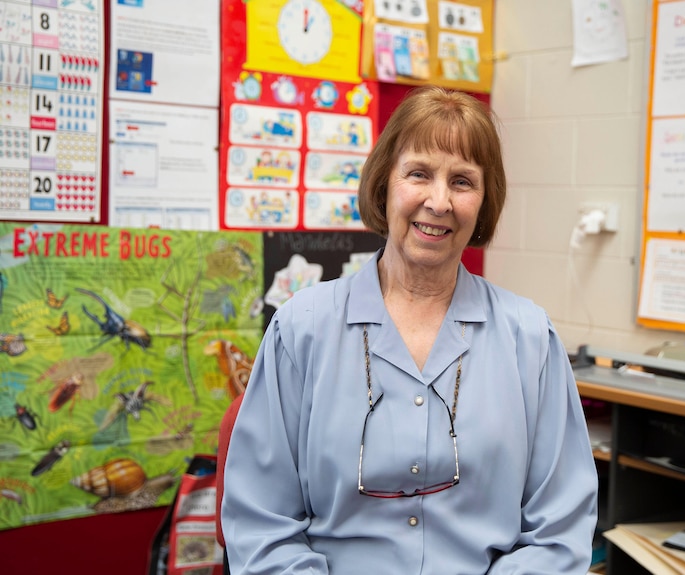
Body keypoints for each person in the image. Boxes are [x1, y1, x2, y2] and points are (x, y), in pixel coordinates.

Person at [221, 86, 599, 574]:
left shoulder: (529, 338)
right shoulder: (302, 329)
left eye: (462, 182)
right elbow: (261, 525)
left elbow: (559, 534)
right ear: (384, 183)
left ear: (484, 202)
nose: (438, 202)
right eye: (419, 174)